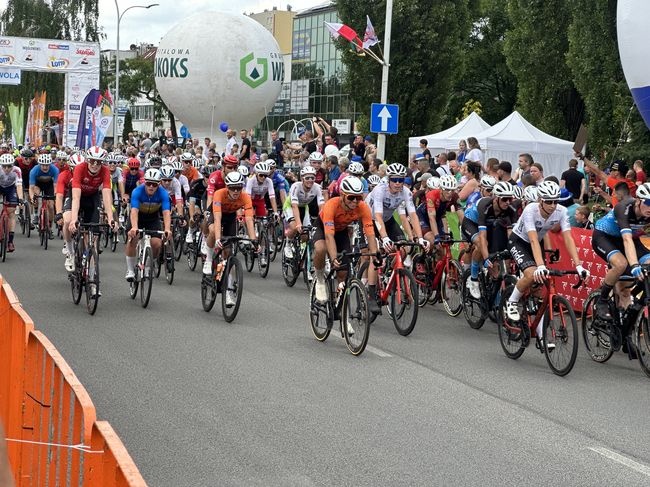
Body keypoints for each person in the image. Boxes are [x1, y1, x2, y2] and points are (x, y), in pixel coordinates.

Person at [505, 181, 588, 344]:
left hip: (537, 242)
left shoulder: (561, 211)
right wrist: (540, 266)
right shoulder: (530, 210)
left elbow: (568, 238)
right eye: (548, 201)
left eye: (555, 201)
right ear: (540, 200)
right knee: (531, 274)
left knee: (541, 290)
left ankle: (539, 330)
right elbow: (533, 240)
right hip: (519, 241)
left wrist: (578, 265)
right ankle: (512, 301)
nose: (552, 206)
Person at [312, 176, 379, 325]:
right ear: (342, 195)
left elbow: (370, 232)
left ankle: (340, 309)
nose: (355, 201)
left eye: (359, 197)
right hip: (323, 229)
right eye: (351, 197)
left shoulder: (362, 207)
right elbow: (329, 236)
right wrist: (334, 257)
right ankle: (321, 280)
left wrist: (374, 254)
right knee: (321, 248)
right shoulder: (332, 205)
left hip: (341, 231)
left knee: (343, 273)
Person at [365, 164, 429, 313]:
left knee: (405, 247)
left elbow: (413, 215)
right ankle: (371, 295)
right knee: (376, 256)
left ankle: (391, 272)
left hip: (387, 220)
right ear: (388, 180)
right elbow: (378, 216)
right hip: (370, 220)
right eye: (395, 180)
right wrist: (385, 238)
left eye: (401, 180)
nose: (398, 183)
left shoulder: (405, 192)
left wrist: (420, 238)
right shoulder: (380, 190)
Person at [591, 182, 650, 318]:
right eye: (647, 202)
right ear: (638, 201)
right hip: (605, 237)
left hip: (631, 240)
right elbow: (627, 240)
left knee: (626, 289)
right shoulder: (623, 207)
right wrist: (634, 265)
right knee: (621, 264)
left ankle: (634, 305)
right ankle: (602, 299)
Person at [204, 172, 258, 306]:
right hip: (216, 214)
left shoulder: (245, 197)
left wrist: (254, 240)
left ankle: (228, 290)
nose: (235, 191)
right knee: (212, 231)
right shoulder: (219, 194)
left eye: (238, 188)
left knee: (228, 252)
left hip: (230, 218)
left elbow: (249, 219)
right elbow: (217, 218)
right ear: (227, 187)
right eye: (232, 187)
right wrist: (218, 238)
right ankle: (209, 257)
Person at [463, 181, 518, 298]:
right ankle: (473, 279)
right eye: (504, 199)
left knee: (497, 259)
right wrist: (486, 257)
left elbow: (512, 234)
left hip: (490, 225)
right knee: (481, 244)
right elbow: (482, 236)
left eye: (510, 199)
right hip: (470, 223)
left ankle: (496, 302)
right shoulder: (485, 205)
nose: (508, 202)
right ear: (495, 198)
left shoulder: (511, 209)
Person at [124, 168, 172, 281]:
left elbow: (166, 213)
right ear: (144, 182)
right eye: (149, 183)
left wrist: (167, 229)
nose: (151, 187)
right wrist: (135, 227)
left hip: (152, 218)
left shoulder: (163, 194)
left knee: (157, 243)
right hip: (138, 217)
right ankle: (130, 270)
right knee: (132, 238)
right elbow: (134, 211)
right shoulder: (137, 191)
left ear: (159, 184)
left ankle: (149, 264)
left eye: (154, 184)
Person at [282, 165, 325, 259]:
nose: (310, 180)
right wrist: (298, 223)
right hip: (290, 206)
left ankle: (301, 249)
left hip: (304, 207)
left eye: (312, 178)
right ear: (302, 178)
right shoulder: (295, 186)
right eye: (307, 178)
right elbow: (294, 206)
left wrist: (323, 223)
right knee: (294, 227)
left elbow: (321, 207)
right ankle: (288, 244)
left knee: (305, 234)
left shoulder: (317, 187)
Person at [29, 153, 59, 230]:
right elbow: (31, 187)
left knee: (51, 206)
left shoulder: (55, 170)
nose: (45, 167)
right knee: (35, 196)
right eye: (43, 165)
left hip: (49, 185)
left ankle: (50, 225)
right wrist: (32, 197)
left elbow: (56, 185)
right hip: (38, 184)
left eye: (47, 165)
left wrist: (55, 196)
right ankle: (35, 214)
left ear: (50, 164)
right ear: (39, 164)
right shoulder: (34, 170)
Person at [0, 153, 22, 252]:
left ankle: (10, 241)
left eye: (9, 166)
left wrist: (20, 199)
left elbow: (19, 186)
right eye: (4, 166)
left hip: (10, 188)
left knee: (11, 212)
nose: (7, 168)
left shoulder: (17, 170)